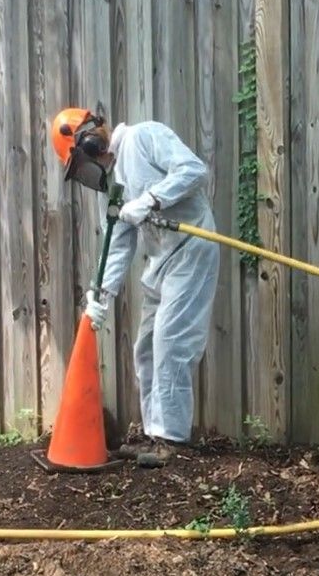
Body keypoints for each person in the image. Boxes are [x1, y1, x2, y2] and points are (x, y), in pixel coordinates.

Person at [49, 107, 219, 468]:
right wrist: (100, 294)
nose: (83, 173)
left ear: (91, 142)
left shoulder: (145, 136)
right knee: (145, 349)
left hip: (191, 251)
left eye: (79, 162)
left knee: (170, 343)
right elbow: (118, 242)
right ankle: (152, 433)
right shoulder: (114, 184)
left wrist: (151, 199)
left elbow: (193, 171)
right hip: (160, 262)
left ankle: (171, 440)